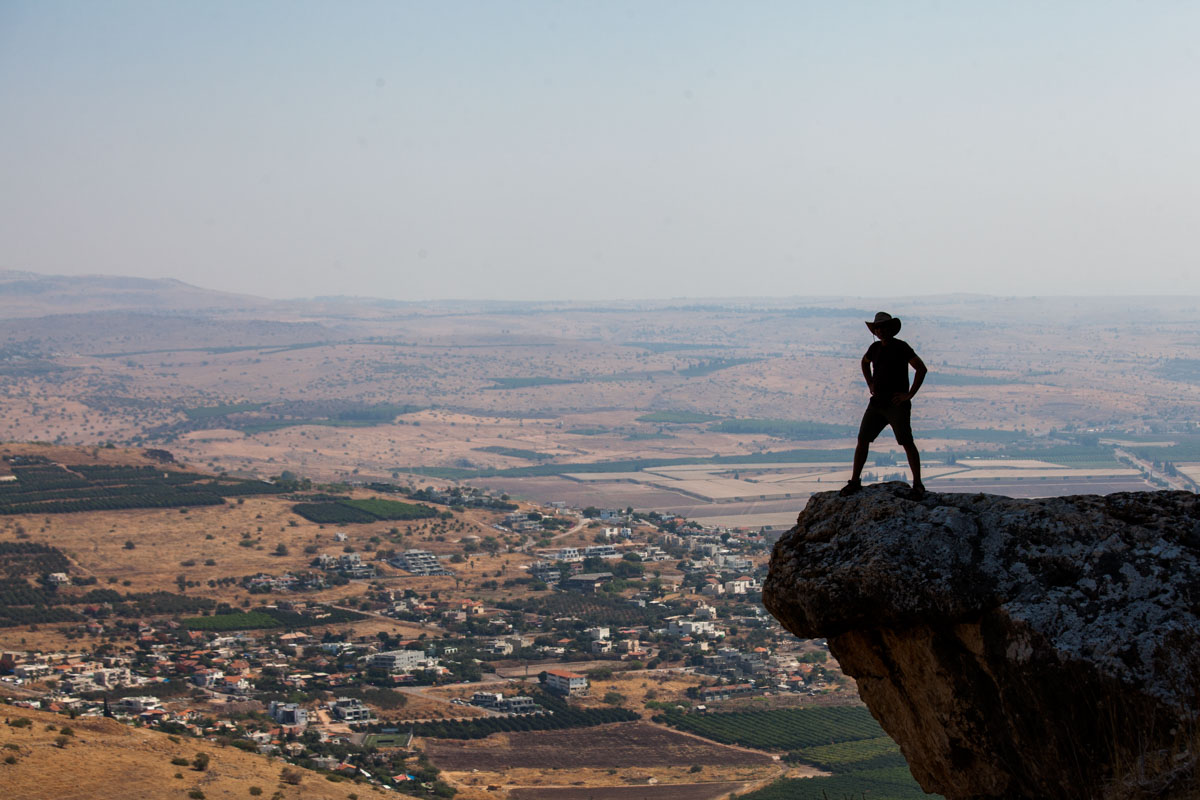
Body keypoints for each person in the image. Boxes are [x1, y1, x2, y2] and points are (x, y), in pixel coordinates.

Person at [840, 311, 928, 499]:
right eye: (878, 328)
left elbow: (921, 368)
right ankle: (854, 481)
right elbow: (864, 363)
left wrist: (909, 395)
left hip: (896, 404)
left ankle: (918, 485)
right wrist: (870, 382)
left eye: (883, 327)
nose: (880, 331)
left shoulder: (902, 347)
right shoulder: (874, 348)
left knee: (906, 442)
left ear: (891, 329)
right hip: (877, 403)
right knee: (863, 440)